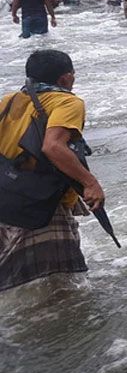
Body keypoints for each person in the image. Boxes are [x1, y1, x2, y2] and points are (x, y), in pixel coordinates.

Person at [0, 50, 104, 292]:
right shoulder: (68, 102)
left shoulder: (9, 100)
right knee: (61, 288)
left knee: (14, 281)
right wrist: (90, 183)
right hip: (41, 203)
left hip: (6, 197)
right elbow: (53, 146)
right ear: (65, 79)